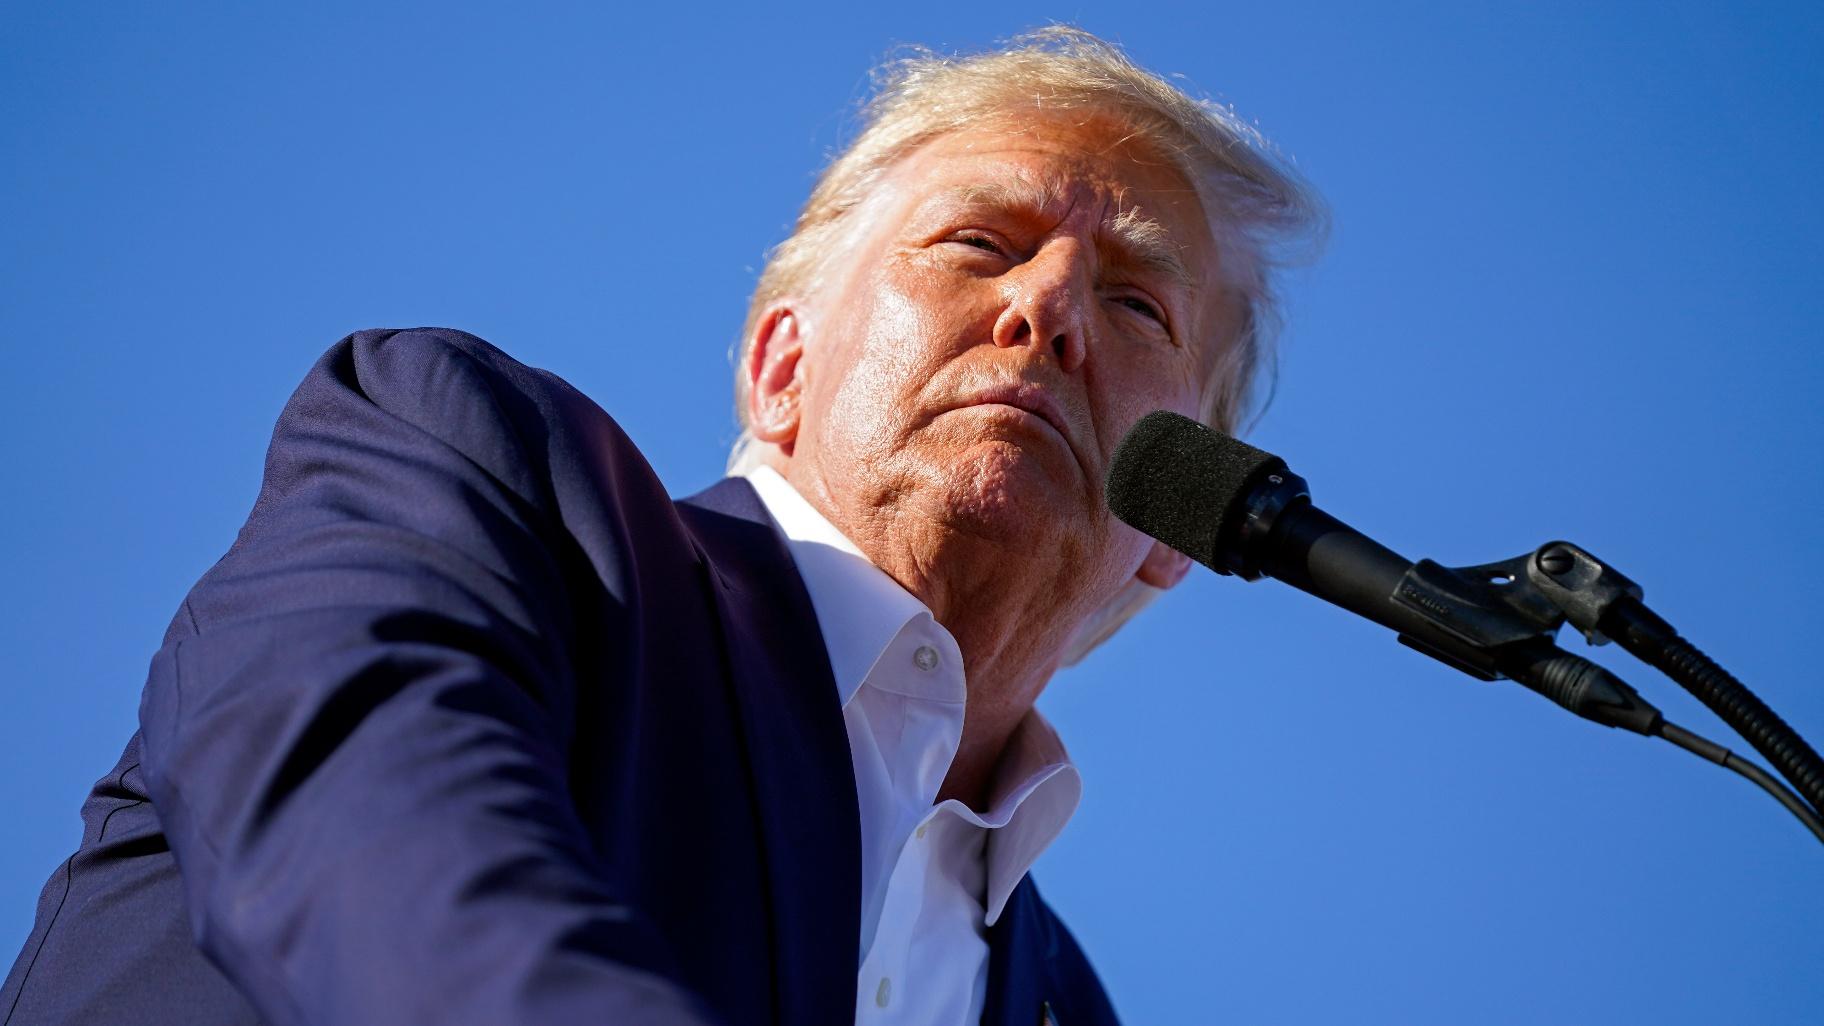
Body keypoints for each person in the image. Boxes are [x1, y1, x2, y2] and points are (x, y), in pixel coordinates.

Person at [1, 27, 1319, 1026]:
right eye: (980, 242)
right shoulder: (486, 470)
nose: (1051, 310)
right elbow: (364, 829)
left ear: (1179, 526)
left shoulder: (1059, 1003)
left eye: (1140, 304)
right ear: (781, 367)